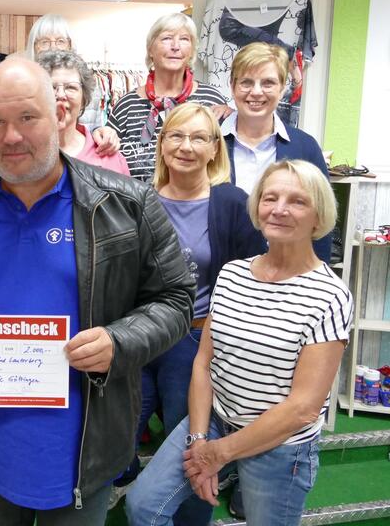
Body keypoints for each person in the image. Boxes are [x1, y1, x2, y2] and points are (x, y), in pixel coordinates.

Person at [0, 57, 196, 525]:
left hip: (81, 455)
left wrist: (120, 340)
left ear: (59, 115)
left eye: (27, 118)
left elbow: (175, 298)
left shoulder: (127, 205)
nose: (11, 136)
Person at [126, 159, 352, 526]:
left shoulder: (329, 295)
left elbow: (303, 408)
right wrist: (200, 438)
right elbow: (203, 363)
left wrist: (219, 454)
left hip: (281, 444)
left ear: (318, 215)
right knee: (144, 505)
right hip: (216, 420)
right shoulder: (233, 274)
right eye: (270, 197)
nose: (279, 209)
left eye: (297, 201)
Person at [123, 102, 268, 520]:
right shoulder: (138, 200)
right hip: (143, 338)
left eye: (199, 138)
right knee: (121, 435)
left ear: (214, 151)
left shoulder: (231, 204)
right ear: (162, 144)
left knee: (188, 450)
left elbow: (252, 279)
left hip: (196, 342)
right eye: (176, 136)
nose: (186, 146)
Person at [222, 41, 331, 263]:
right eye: (246, 82)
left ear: (282, 88)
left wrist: (316, 278)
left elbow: (321, 220)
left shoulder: (305, 147)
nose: (256, 92)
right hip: (224, 276)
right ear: (232, 86)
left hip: (290, 275)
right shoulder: (210, 145)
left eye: (268, 83)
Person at [96, 12, 228, 182]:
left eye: (184, 39)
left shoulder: (211, 99)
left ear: (192, 51)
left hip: (197, 204)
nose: (175, 46)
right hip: (136, 206)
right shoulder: (127, 105)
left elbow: (225, 158)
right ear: (150, 49)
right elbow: (107, 158)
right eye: (166, 38)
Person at [37, 49, 130, 175]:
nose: (60, 95)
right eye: (51, 87)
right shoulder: (23, 154)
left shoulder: (109, 158)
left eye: (70, 87)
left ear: (83, 98)